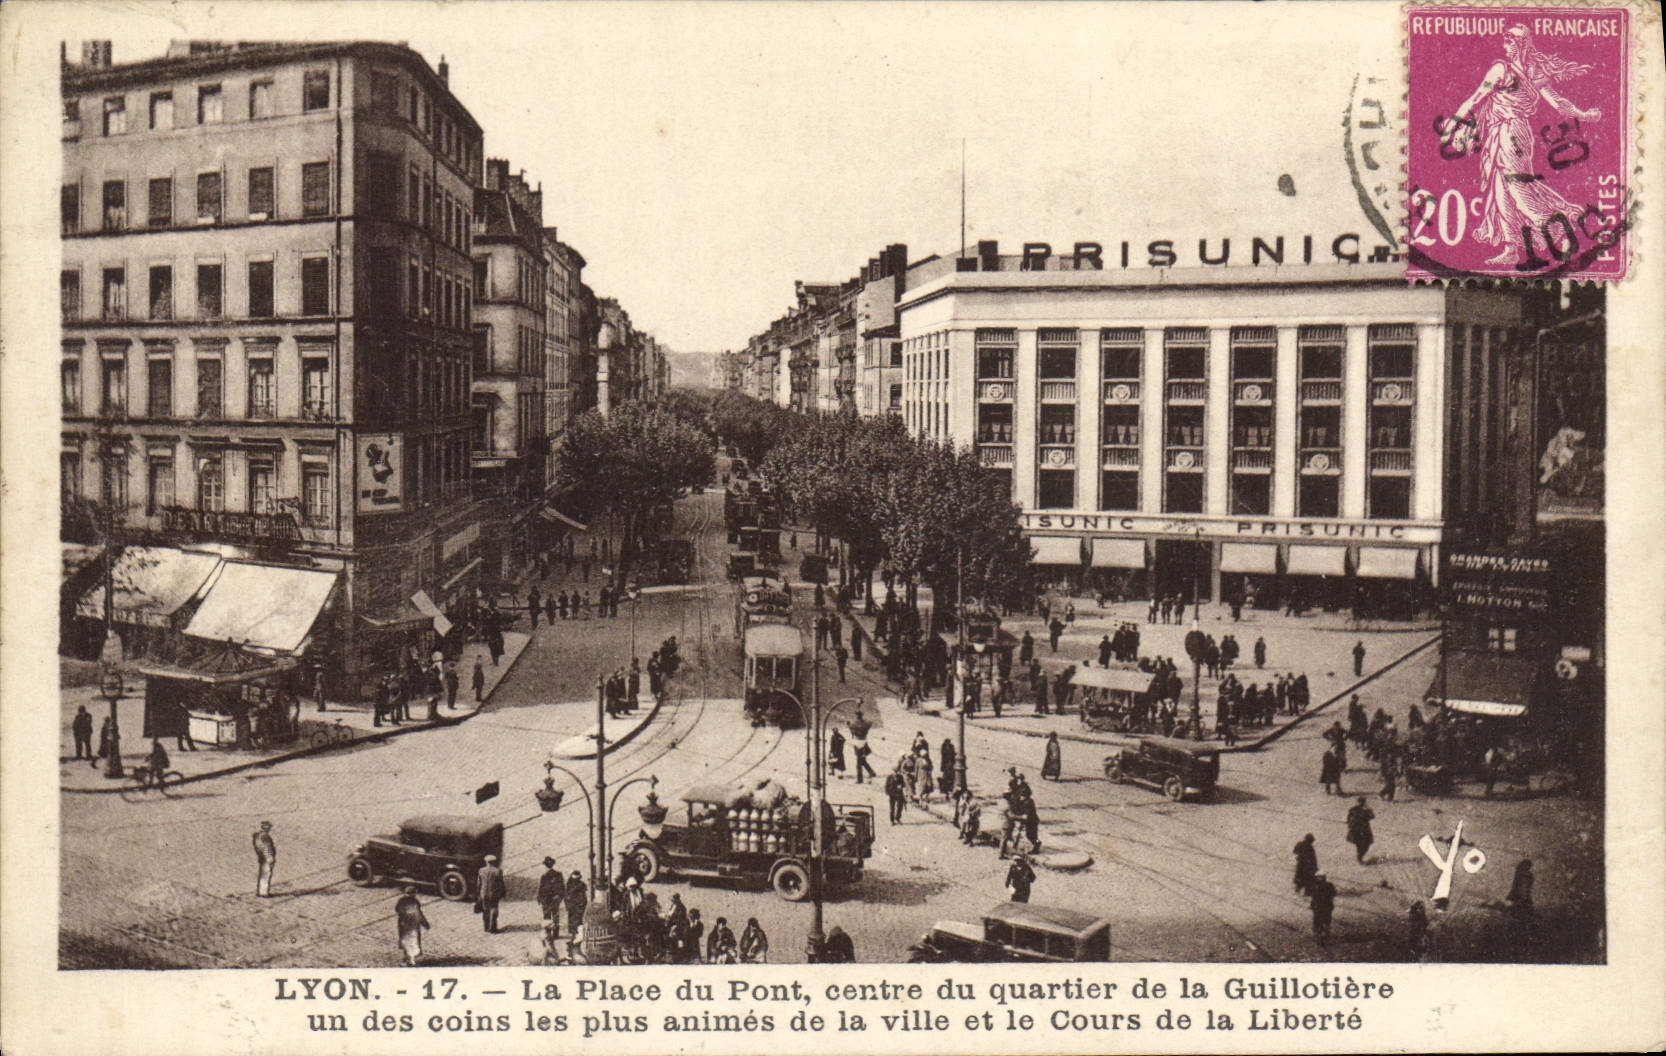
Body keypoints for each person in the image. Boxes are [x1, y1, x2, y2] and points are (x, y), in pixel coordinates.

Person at [1437, 25, 1605, 266]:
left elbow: (1476, 99)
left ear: (1518, 45)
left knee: (1517, 187)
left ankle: (1558, 228)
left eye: (1508, 43)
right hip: (1504, 132)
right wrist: (1584, 115)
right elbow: (1558, 103)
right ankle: (1512, 247)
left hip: (1510, 132)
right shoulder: (1531, 70)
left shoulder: (1502, 69)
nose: (1504, 47)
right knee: (1500, 189)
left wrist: (1453, 123)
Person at [395, 886, 430, 966]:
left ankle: (406, 959)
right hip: (413, 925)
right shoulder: (414, 902)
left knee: (405, 941)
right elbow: (418, 914)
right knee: (414, 941)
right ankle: (413, 960)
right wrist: (425, 924)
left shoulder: (401, 900)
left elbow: (397, 909)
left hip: (403, 925)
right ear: (414, 893)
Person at [476, 854, 506, 933]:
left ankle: (486, 927)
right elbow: (501, 883)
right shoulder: (497, 871)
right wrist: (503, 893)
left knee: (485, 910)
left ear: (486, 862)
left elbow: (479, 883)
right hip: (494, 894)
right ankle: (493, 928)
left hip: (484, 893)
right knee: (493, 909)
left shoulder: (481, 870)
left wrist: (478, 894)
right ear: (494, 862)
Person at [537, 857, 564, 936]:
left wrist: (539, 898)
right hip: (555, 899)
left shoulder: (544, 876)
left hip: (546, 899)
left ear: (546, 866)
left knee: (547, 916)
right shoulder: (559, 874)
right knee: (555, 915)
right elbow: (562, 887)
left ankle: (548, 933)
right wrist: (559, 897)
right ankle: (556, 934)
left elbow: (541, 889)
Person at [1309, 873, 1337, 945]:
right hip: (1324, 906)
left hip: (1320, 907)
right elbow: (1334, 894)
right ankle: (1323, 934)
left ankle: (1320, 934)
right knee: (1324, 921)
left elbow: (1312, 896)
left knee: (1320, 921)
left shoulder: (1315, 885)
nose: (1320, 879)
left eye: (1320, 877)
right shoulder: (1329, 885)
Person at [1346, 797, 1375, 863]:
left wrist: (1349, 823)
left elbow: (1348, 818)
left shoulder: (1353, 809)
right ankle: (1360, 857)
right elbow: (1372, 816)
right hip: (1363, 830)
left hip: (1355, 830)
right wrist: (1370, 809)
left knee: (1359, 844)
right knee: (1365, 844)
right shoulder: (1365, 810)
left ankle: (1359, 857)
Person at [252, 820, 277, 897]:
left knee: (263, 874)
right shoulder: (264, 837)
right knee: (266, 874)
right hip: (266, 858)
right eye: (269, 827)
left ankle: (261, 891)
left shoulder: (258, 836)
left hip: (262, 857)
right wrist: (270, 858)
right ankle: (263, 893)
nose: (270, 828)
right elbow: (266, 848)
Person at [850, 711, 875, 783]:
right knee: (862, 760)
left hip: (857, 743)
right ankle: (871, 772)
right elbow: (870, 723)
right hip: (864, 743)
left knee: (859, 763)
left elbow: (852, 730)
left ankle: (860, 779)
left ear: (856, 716)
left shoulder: (854, 724)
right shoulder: (865, 724)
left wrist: (848, 725)